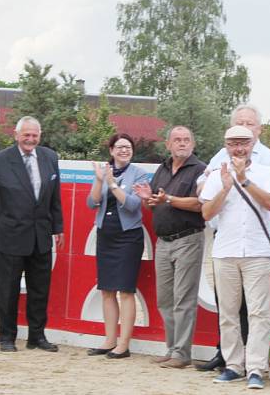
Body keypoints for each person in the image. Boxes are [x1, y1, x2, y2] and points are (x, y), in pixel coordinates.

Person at [196, 104, 270, 372]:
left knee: (256, 310)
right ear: (227, 142)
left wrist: (244, 179)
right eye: (234, 139)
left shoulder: (268, 162)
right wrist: (219, 185)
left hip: (256, 245)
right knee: (228, 309)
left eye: (249, 126)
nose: (239, 145)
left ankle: (255, 365)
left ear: (257, 132)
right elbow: (204, 194)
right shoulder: (218, 159)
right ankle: (229, 360)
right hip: (225, 241)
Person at [0, 116, 64, 353]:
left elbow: (54, 197)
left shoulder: (50, 157)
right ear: (16, 135)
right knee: (8, 290)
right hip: (10, 236)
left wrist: (58, 228)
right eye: (26, 135)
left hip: (41, 235)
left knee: (40, 290)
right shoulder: (0, 160)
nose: (30, 139)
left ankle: (37, 337)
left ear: (39, 136)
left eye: (34, 135)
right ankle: (7, 337)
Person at [134, 126, 205, 369]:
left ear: (193, 145)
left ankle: (182, 353)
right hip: (163, 241)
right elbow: (154, 204)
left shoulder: (200, 170)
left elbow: (199, 204)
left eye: (186, 140)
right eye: (177, 140)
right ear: (168, 144)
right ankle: (172, 348)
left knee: (183, 299)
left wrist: (167, 199)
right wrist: (149, 200)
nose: (182, 143)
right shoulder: (162, 169)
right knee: (165, 299)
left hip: (188, 239)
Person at [86, 133, 149, 359]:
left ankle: (123, 344)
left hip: (128, 237)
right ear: (111, 150)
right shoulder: (103, 171)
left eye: (128, 147)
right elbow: (91, 202)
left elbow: (132, 205)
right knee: (107, 290)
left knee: (126, 290)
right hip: (106, 235)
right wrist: (101, 180)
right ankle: (109, 339)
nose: (124, 150)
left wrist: (112, 184)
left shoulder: (138, 173)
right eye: (120, 147)